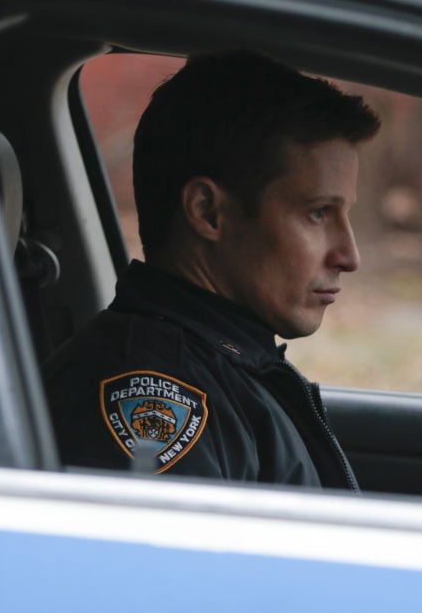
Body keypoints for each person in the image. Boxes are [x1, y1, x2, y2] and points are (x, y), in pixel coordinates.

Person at [43, 51, 380, 490]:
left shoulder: (227, 365)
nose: (348, 256)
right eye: (317, 213)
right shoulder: (154, 394)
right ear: (208, 212)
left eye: (343, 214)